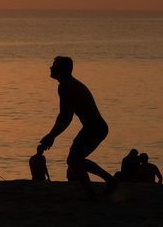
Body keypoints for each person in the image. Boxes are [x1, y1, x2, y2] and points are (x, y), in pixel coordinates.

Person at [38, 56, 116, 198]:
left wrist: (51, 136)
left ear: (62, 70)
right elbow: (65, 117)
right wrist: (52, 135)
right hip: (92, 128)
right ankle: (94, 191)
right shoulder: (66, 85)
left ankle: (108, 181)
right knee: (75, 160)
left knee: (74, 160)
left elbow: (65, 117)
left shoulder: (67, 86)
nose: (50, 67)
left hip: (95, 128)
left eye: (54, 65)